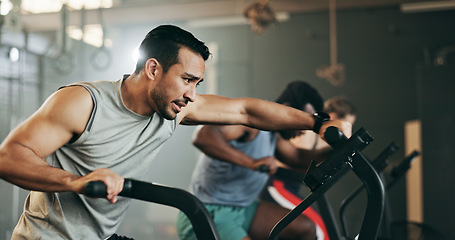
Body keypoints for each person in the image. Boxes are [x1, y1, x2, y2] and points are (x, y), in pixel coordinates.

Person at [0, 25, 350, 240]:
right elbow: (9, 157)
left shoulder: (174, 109)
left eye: (197, 84)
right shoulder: (83, 103)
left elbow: (246, 110)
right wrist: (74, 182)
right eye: (186, 80)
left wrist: (317, 123)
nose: (192, 94)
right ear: (153, 69)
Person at [177, 81, 332, 240]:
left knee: (304, 229)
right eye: (302, 122)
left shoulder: (274, 135)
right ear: (288, 109)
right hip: (207, 211)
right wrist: (251, 162)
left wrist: (335, 148)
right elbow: (203, 137)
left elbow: (298, 157)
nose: (303, 131)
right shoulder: (252, 125)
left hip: (243, 209)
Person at [260, 95, 357, 240]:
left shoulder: (320, 139)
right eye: (347, 124)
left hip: (290, 187)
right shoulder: (306, 133)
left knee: (322, 230)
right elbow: (296, 159)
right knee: (319, 231)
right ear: (334, 116)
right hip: (278, 186)